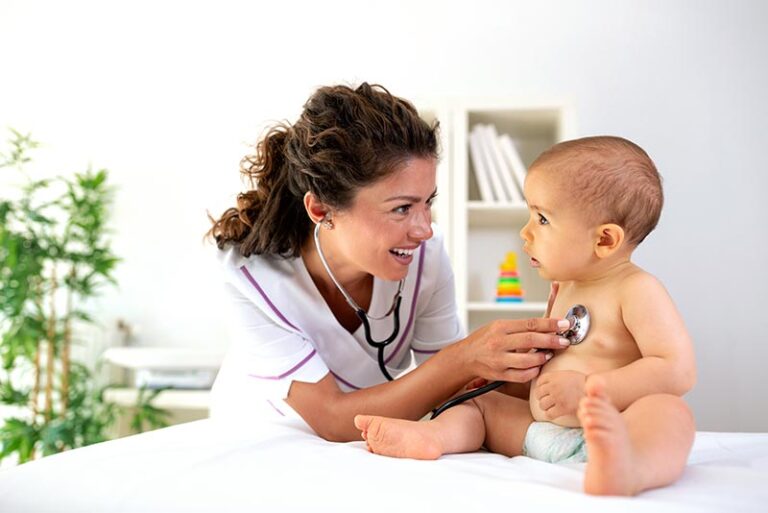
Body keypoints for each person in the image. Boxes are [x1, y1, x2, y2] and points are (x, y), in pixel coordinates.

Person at [206, 83, 571, 442]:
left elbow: (450, 390)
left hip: (365, 434)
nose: (425, 229)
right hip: (262, 434)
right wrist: (464, 358)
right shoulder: (251, 277)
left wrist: (532, 366)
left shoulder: (425, 256)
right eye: (402, 208)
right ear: (321, 209)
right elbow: (332, 418)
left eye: (428, 202)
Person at [354, 136, 697, 496]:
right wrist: (505, 383)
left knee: (668, 412)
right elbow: (550, 361)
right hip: (536, 432)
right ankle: (432, 437)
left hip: (613, 432)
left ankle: (632, 465)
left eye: (543, 219)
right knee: (479, 405)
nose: (526, 231)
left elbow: (677, 369)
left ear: (605, 241)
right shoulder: (566, 287)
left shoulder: (637, 290)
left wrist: (592, 391)